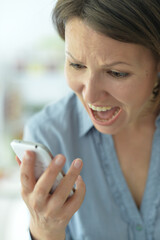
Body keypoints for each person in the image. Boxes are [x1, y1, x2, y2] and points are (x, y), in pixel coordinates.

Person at [18, 0, 160, 239]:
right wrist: (45, 230)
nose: (89, 95)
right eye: (76, 64)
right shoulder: (48, 134)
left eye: (116, 73)